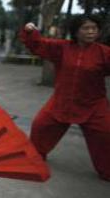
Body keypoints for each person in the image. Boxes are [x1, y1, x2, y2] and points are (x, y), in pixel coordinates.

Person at [20, 15, 110, 181]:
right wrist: (30, 31)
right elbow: (39, 44)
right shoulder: (63, 48)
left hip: (94, 104)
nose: (91, 32)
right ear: (76, 32)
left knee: (106, 134)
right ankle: (35, 158)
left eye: (94, 28)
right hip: (62, 101)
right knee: (40, 126)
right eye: (86, 28)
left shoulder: (104, 53)